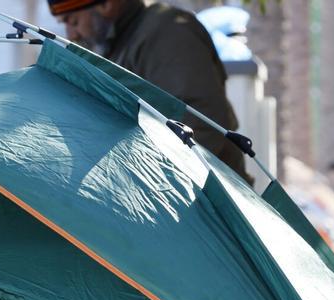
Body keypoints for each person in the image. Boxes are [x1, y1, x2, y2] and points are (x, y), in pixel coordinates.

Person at [49, 0, 248, 182]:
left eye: (73, 21)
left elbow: (200, 125)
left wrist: (152, 186)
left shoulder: (167, 33)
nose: (71, 34)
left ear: (106, 5)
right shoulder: (123, 41)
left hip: (201, 202)